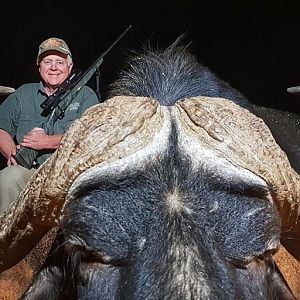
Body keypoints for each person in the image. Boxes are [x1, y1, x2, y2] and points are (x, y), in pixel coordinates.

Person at [0, 37, 99, 213]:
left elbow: (92, 136)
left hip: (70, 175)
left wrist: (47, 142)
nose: (53, 67)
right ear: (39, 67)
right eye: (47, 62)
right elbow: (2, 128)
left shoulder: (85, 95)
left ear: (70, 67)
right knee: (8, 176)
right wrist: (13, 155)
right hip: (31, 173)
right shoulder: (24, 93)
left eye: (60, 62)